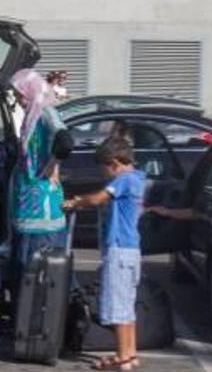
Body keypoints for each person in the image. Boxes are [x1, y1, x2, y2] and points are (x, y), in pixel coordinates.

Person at [64, 137, 144, 371]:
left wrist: (77, 202)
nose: (105, 173)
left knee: (117, 307)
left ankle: (121, 357)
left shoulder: (124, 180)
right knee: (127, 308)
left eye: (105, 168)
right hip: (131, 250)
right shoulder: (138, 179)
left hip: (119, 251)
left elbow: (99, 198)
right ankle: (130, 353)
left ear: (115, 163)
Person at [10, 69, 74, 281]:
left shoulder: (46, 113)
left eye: (19, 93)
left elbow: (65, 141)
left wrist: (52, 164)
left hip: (43, 218)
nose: (18, 99)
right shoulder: (33, 115)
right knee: (28, 276)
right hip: (29, 213)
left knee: (40, 279)